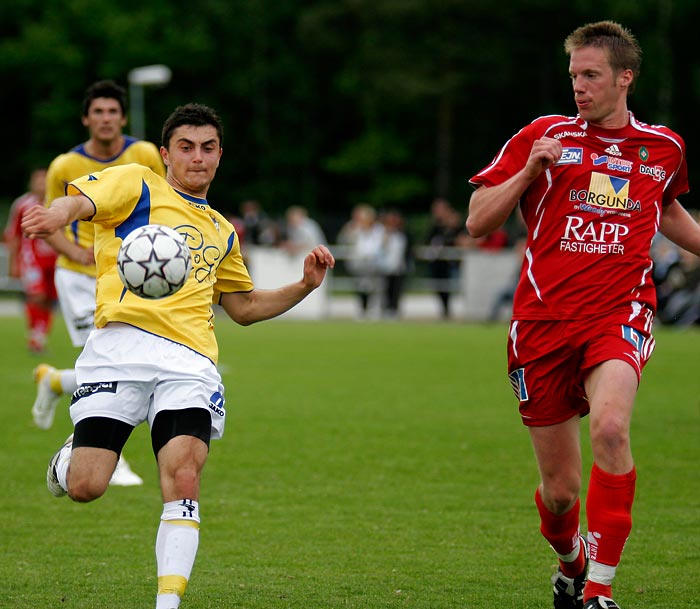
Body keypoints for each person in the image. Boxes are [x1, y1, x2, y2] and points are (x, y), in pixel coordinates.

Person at [22, 102, 335, 609]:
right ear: (166, 153)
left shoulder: (223, 230)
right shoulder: (137, 183)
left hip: (189, 362)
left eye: (208, 148)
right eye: (186, 147)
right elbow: (78, 205)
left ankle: (167, 603)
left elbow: (246, 307)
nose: (198, 158)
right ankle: (67, 461)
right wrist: (52, 214)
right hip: (118, 349)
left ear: (219, 155)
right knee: (87, 486)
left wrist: (303, 285)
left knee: (184, 475)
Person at [467, 21, 700, 609]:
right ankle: (571, 565)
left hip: (618, 313)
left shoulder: (663, 148)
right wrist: (529, 171)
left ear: (625, 78)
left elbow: (665, 207)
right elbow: (476, 222)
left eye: (591, 75)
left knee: (613, 429)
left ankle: (600, 591)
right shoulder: (543, 135)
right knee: (562, 491)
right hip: (542, 325)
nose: (579, 87)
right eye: (574, 76)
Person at [32, 79, 166, 486]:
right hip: (79, 278)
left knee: (125, 364)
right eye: (98, 112)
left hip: (133, 278)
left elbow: (163, 199)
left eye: (113, 112)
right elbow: (50, 219)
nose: (106, 119)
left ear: (122, 118)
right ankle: (101, 452)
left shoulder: (143, 154)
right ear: (86, 119)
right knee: (108, 365)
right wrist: (75, 254)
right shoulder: (65, 166)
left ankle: (54, 382)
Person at [3, 168, 57, 353]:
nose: (41, 184)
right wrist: (13, 262)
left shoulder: (57, 203)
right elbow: (13, 235)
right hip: (31, 259)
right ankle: (35, 335)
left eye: (45, 180)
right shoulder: (22, 205)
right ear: (31, 183)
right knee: (37, 296)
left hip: (56, 259)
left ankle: (39, 335)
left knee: (49, 299)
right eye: (38, 181)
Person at [337, 203, 384, 319]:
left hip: (374, 264)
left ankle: (374, 310)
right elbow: (343, 241)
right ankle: (362, 310)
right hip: (358, 264)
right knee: (360, 286)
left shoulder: (378, 229)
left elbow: (382, 245)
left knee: (375, 287)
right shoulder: (353, 228)